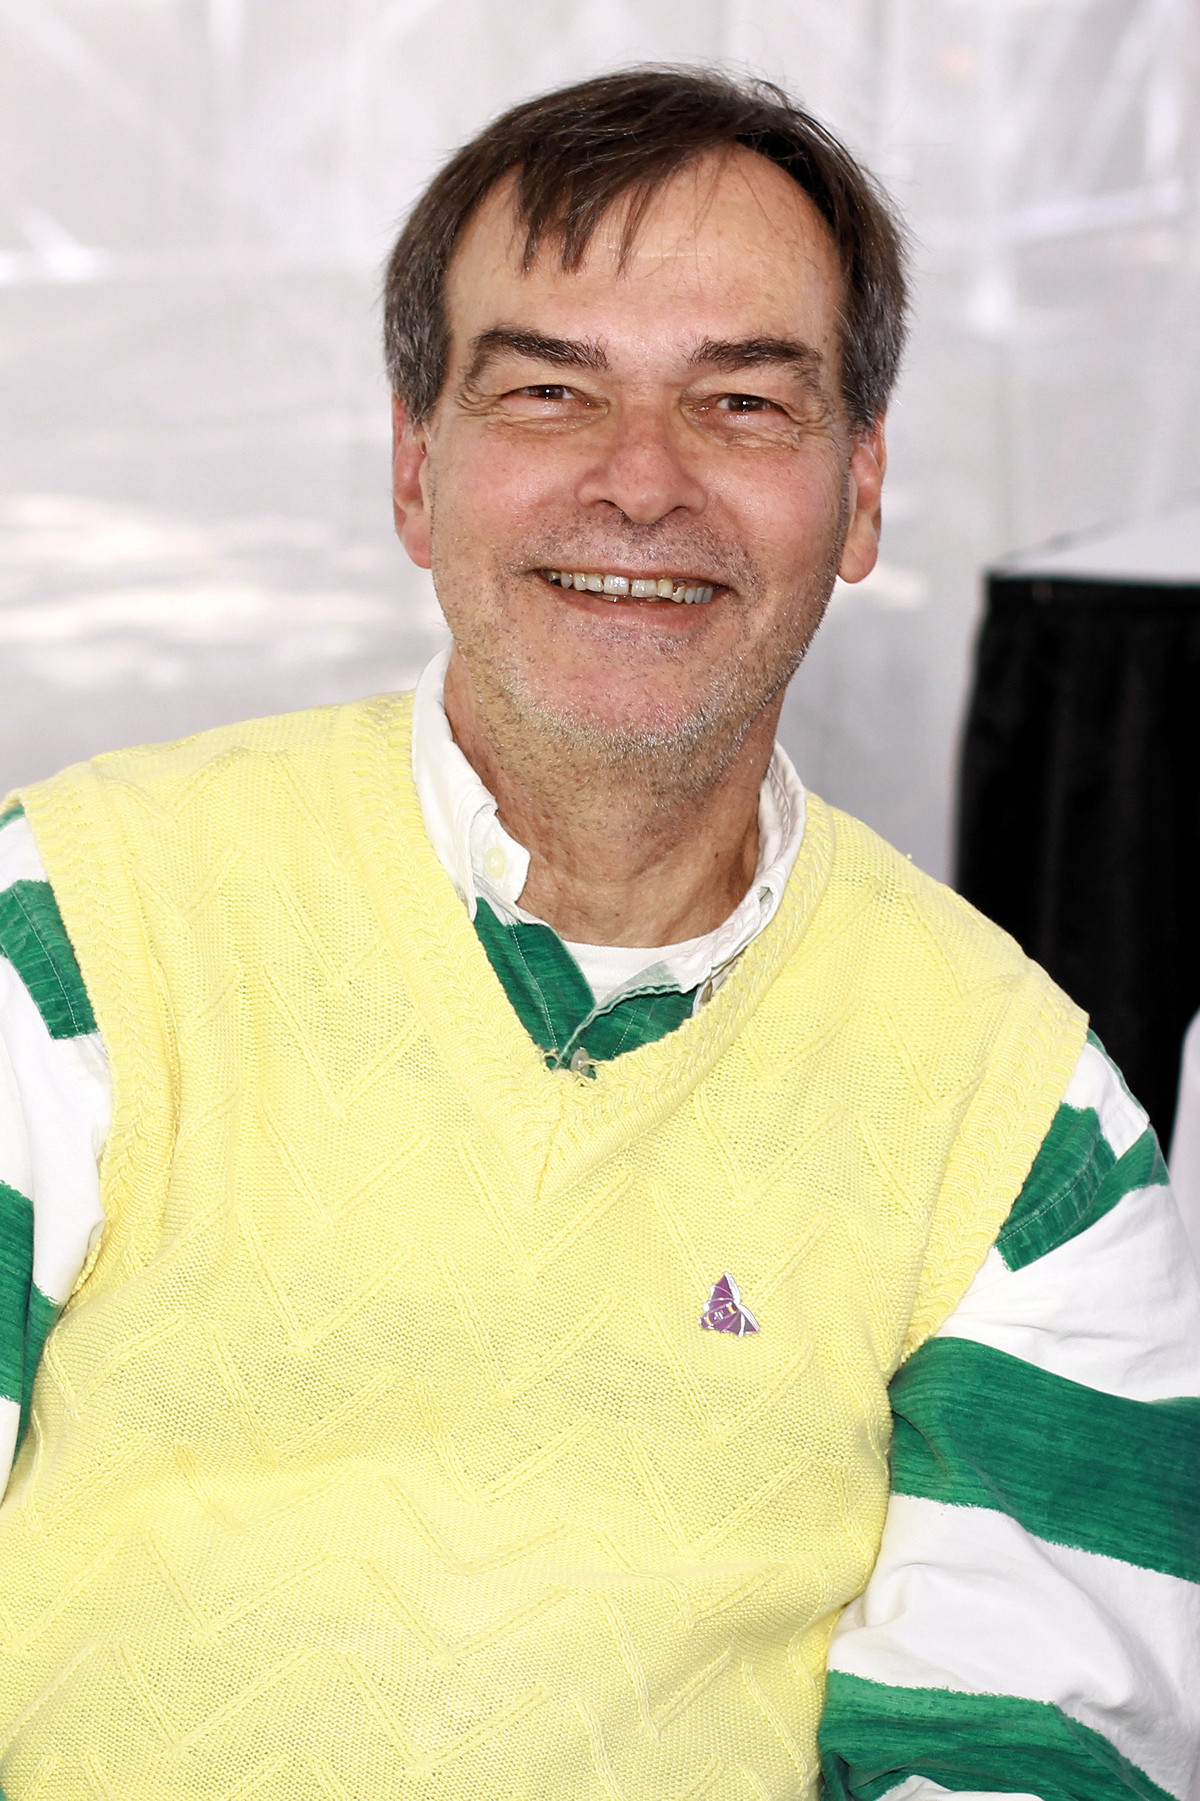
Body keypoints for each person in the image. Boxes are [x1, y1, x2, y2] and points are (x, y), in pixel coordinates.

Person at [0, 66, 1195, 1801]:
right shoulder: (68, 932)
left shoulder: (1027, 1126)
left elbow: (1035, 1758)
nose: (641, 484)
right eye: (549, 391)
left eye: (744, 404)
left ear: (861, 494)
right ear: (418, 469)